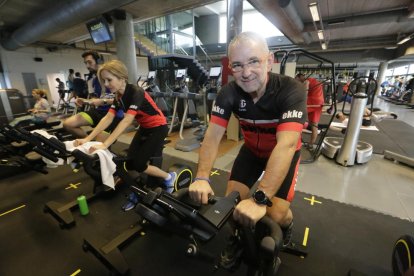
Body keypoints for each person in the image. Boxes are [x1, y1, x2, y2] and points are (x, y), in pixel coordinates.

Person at [188, 32, 306, 268]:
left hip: (283, 154)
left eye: (254, 61)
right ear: (231, 68)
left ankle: (287, 224)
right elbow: (212, 137)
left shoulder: (290, 90)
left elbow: (287, 145)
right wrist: (201, 177)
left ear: (269, 61)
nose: (246, 72)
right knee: (231, 207)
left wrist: (260, 198)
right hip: (251, 152)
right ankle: (238, 237)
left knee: (275, 215)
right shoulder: (228, 93)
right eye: (238, 65)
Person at [73, 60, 177, 211]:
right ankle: (139, 191)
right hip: (145, 128)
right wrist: (87, 139)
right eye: (104, 80)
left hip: (158, 128)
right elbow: (107, 118)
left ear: (122, 78)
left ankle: (169, 178)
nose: (106, 83)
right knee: (129, 163)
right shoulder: (118, 96)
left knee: (139, 165)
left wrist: (105, 144)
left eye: (109, 79)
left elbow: (127, 120)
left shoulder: (136, 92)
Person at [63, 51, 121, 142]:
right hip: (98, 111)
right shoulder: (93, 80)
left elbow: (122, 99)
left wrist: (103, 101)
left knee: (98, 144)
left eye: (89, 62)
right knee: (68, 124)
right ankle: (88, 142)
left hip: (113, 113)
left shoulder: (113, 77)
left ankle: (98, 145)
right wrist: (85, 100)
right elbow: (95, 99)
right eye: (85, 63)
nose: (87, 66)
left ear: (98, 61)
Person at [295, 73, 324, 150]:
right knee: (314, 125)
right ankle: (311, 145)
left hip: (312, 102)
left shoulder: (306, 81)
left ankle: (296, 141)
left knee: (297, 117)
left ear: (300, 77)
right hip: (319, 103)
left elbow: (305, 93)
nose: (297, 81)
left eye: (296, 79)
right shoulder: (313, 81)